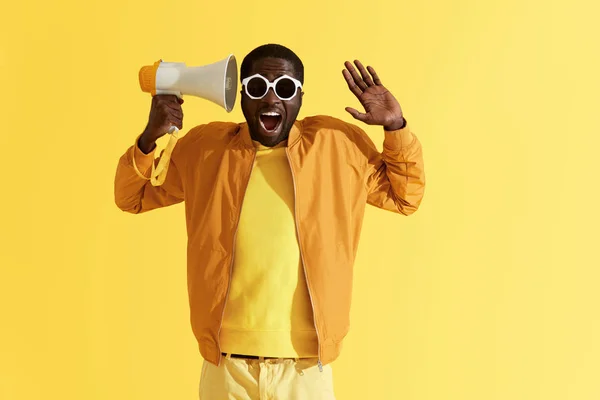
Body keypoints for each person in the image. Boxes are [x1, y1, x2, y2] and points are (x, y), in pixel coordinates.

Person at [114, 43, 425, 399]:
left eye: (286, 89)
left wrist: (396, 127)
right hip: (227, 369)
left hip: (306, 370)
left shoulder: (338, 146)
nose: (271, 100)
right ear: (241, 93)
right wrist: (149, 137)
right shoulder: (206, 149)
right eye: (259, 87)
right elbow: (131, 196)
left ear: (300, 98)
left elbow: (406, 196)